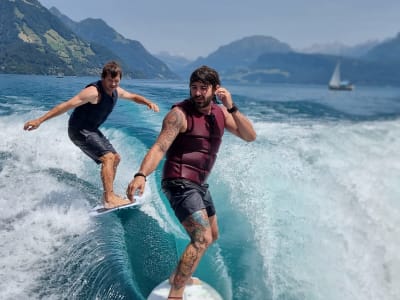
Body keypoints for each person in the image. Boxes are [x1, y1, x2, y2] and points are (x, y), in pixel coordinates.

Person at [126, 65, 256, 299]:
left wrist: (231, 106)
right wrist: (141, 174)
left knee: (212, 235)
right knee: (201, 237)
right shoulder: (179, 114)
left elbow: (249, 136)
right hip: (178, 180)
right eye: (194, 88)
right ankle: (175, 292)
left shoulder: (221, 114)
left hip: (198, 184)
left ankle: (177, 275)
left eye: (203, 88)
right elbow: (159, 147)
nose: (197, 93)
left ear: (216, 90)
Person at [24, 61, 159, 209]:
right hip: (78, 130)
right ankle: (109, 199)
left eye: (116, 81)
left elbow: (132, 96)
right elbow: (66, 105)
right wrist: (40, 120)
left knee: (116, 158)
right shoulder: (93, 92)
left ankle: (109, 194)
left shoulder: (115, 91)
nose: (113, 84)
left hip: (91, 129)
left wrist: (147, 102)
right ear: (103, 78)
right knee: (108, 158)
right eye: (110, 81)